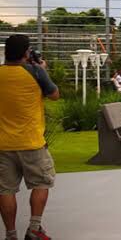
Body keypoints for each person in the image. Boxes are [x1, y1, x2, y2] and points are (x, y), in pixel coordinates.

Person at [0, 35, 60, 240]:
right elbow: (54, 95)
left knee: (5, 189)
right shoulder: (35, 71)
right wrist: (43, 69)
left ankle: (10, 234)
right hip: (31, 142)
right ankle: (34, 228)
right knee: (42, 183)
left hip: (3, 144)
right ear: (26, 52)